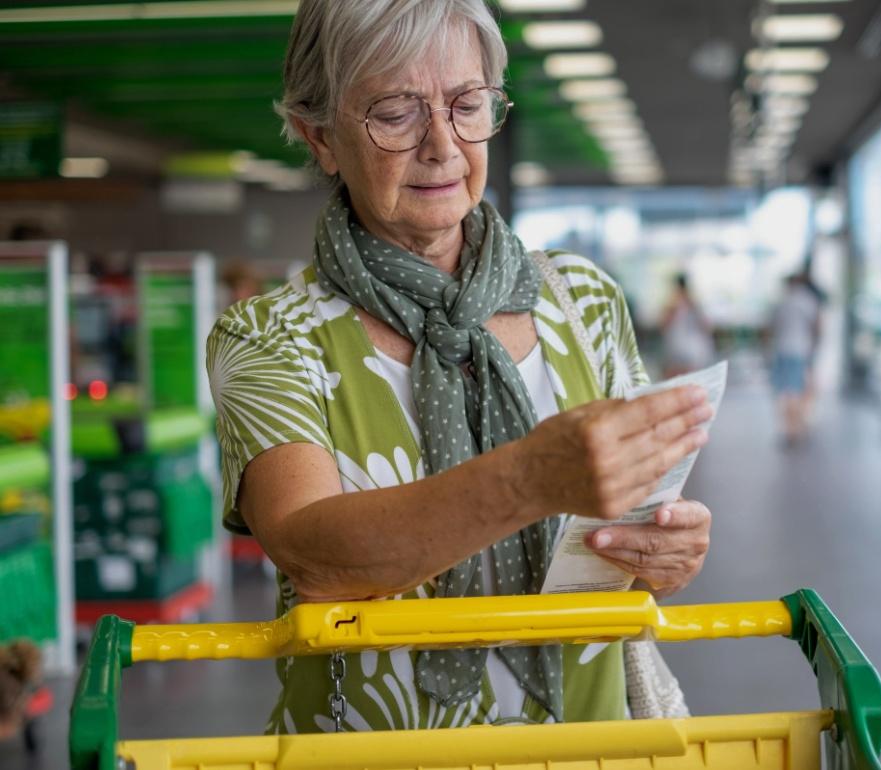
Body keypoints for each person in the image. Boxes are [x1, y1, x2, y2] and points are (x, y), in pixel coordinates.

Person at [207, 0, 714, 735]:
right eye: (395, 111)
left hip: (591, 744)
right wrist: (529, 478)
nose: (443, 145)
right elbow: (315, 555)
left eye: (466, 104)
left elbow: (629, 536)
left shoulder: (583, 300)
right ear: (320, 137)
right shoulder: (267, 335)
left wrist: (665, 551)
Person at [769, 272, 823, 444]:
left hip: (782, 349)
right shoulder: (807, 301)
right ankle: (796, 428)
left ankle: (789, 428)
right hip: (800, 350)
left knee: (786, 391)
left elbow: (773, 326)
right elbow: (817, 326)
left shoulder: (783, 301)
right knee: (797, 390)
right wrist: (814, 346)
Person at [660, 272, 715, 378]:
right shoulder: (674, 305)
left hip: (690, 351)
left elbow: (706, 325)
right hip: (679, 350)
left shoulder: (693, 304)